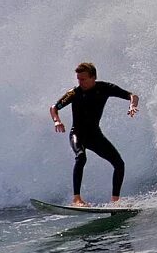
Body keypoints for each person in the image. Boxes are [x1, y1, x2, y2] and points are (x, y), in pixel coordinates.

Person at [49, 62, 139, 206]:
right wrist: (56, 121)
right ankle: (77, 199)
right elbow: (54, 107)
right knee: (81, 157)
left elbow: (132, 95)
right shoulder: (74, 93)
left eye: (83, 79)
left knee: (119, 164)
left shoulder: (105, 88)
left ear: (93, 77)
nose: (80, 82)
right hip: (77, 134)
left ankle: (115, 201)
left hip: (95, 135)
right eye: (78, 79)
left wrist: (132, 105)